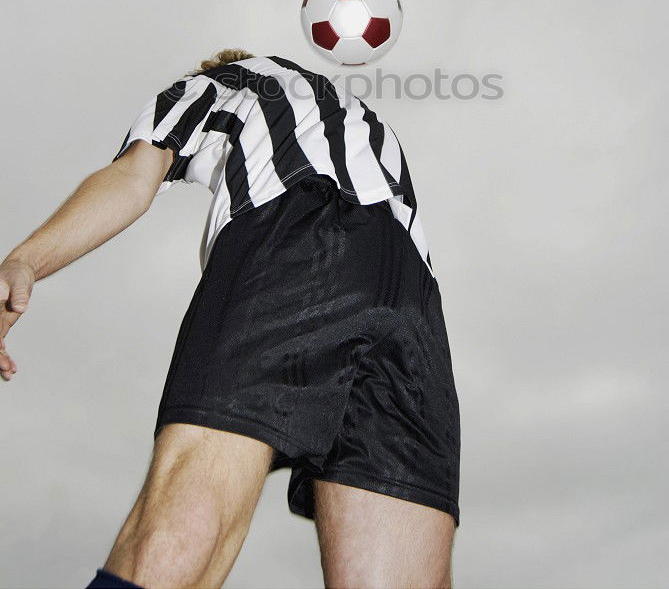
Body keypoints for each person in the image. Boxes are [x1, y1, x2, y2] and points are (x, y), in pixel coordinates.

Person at [1, 49, 461, 589]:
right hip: (414, 297)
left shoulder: (219, 83)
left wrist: (26, 259)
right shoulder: (366, 121)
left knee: (182, 539)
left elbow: (134, 175)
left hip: (298, 236)